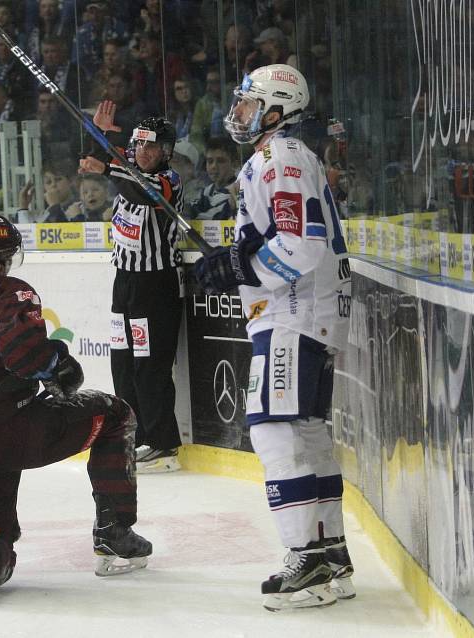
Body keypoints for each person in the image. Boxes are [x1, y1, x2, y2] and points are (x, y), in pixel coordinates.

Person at [0, 213, 152, 606]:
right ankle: (114, 534)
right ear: (2, 258)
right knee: (115, 414)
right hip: (16, 431)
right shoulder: (9, 292)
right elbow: (24, 356)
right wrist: (60, 366)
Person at [194, 64, 354, 611]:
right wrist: (239, 257)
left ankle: (305, 558)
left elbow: (300, 245)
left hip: (291, 315)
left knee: (271, 431)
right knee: (307, 431)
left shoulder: (277, 157)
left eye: (249, 103)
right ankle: (329, 553)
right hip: (307, 315)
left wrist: (237, 267)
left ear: (278, 109)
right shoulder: (285, 157)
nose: (238, 112)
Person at [79, 102, 184, 474]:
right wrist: (103, 135)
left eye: (152, 147)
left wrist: (109, 163)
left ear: (166, 152)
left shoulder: (167, 180)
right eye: (138, 145)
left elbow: (142, 192)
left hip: (154, 286)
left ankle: (163, 443)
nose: (142, 152)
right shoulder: (127, 167)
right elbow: (92, 163)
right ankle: (133, 436)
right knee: (123, 364)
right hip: (123, 282)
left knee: (150, 367)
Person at [189, 136, 239, 219]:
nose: (213, 166)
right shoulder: (204, 192)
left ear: (234, 164)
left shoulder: (237, 193)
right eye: (210, 161)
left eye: (220, 161)